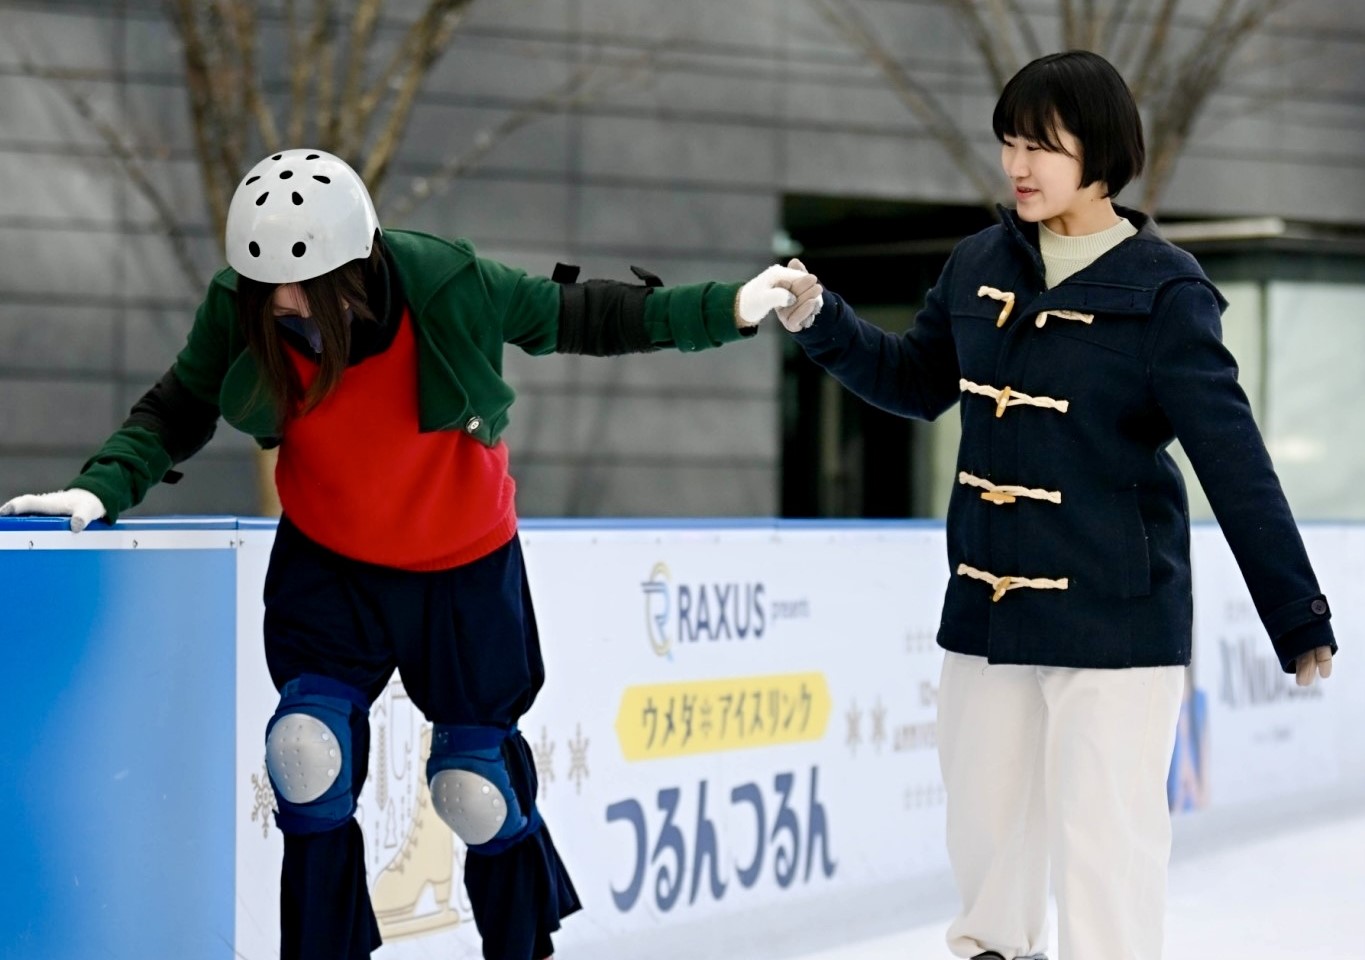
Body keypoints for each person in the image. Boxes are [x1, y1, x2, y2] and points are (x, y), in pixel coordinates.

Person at [0, 148, 807, 960]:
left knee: (475, 791)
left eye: (306, 286)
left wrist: (727, 307)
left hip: (463, 567)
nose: (286, 305)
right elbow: (178, 406)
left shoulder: (445, 283)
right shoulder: (241, 306)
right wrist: (101, 488)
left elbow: (582, 315)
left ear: (358, 263)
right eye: (267, 287)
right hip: (330, 562)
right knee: (304, 760)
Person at [772, 51, 1338, 960]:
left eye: (1041, 146)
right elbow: (917, 383)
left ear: (1102, 155)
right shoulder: (978, 264)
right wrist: (821, 318)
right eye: (1007, 143)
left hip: (1116, 620)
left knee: (1104, 848)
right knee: (986, 842)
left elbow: (1231, 458)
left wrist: (1293, 608)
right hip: (988, 609)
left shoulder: (1164, 290)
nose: (1017, 167)